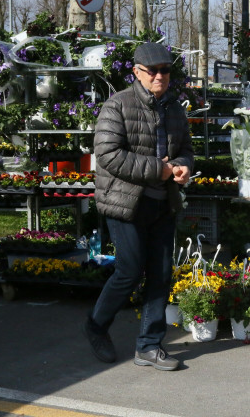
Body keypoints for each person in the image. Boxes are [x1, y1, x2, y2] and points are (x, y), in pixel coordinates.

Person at [83, 42, 193, 371]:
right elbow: (108, 154)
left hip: (162, 202)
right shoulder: (117, 105)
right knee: (129, 270)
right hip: (125, 202)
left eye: (166, 71)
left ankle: (148, 346)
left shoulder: (174, 108)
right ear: (137, 73)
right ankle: (96, 325)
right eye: (154, 71)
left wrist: (184, 165)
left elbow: (186, 148)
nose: (161, 76)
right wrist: (157, 169)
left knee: (160, 274)